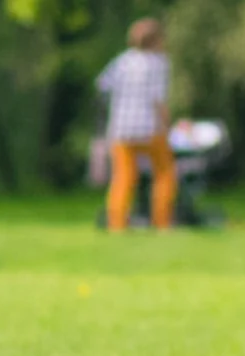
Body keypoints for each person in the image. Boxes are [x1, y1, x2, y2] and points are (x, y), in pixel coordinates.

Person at [97, 18, 177, 233]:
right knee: (165, 173)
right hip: (149, 128)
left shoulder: (122, 61)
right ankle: (162, 222)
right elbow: (158, 99)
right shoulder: (159, 63)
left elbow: (102, 85)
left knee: (123, 177)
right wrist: (168, 125)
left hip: (121, 129)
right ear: (157, 40)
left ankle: (117, 224)